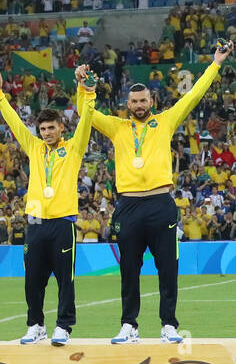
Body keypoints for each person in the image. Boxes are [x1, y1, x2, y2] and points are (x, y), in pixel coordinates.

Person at [79, 41, 230, 343]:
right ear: (127, 103)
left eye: (143, 100)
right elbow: (87, 116)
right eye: (134, 101)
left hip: (161, 203)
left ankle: (169, 324)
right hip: (129, 205)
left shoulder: (165, 121)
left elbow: (193, 95)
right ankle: (129, 325)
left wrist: (215, 63)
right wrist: (84, 88)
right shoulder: (116, 126)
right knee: (129, 270)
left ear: (151, 100)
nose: (138, 105)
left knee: (167, 266)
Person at [0, 66, 95, 346]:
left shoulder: (73, 148)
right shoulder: (34, 147)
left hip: (63, 221)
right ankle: (35, 324)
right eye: (43, 129)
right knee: (33, 280)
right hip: (36, 222)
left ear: (61, 128)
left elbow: (86, 119)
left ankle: (63, 326)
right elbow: (15, 123)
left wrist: (88, 92)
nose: (47, 132)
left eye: (52, 128)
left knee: (65, 279)